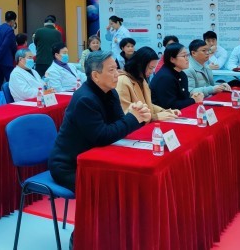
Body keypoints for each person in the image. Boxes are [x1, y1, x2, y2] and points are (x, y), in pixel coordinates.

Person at [49, 51, 151, 194]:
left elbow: (118, 124)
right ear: (95, 76)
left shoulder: (111, 92)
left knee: (130, 178)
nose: (117, 74)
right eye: (111, 70)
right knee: (114, 188)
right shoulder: (85, 99)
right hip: (71, 166)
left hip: (96, 156)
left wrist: (139, 116)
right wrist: (132, 118)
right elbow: (102, 136)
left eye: (116, 68)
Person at [116, 47, 180, 121]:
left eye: (153, 68)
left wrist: (165, 112)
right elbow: (126, 115)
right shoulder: (122, 81)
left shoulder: (141, 79)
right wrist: (155, 117)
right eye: (150, 68)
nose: (152, 71)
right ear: (140, 65)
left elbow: (148, 104)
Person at [150, 43, 204, 110]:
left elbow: (183, 97)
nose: (187, 59)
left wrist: (193, 96)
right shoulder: (165, 77)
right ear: (172, 59)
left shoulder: (182, 74)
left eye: (187, 55)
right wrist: (193, 100)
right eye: (184, 56)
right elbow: (170, 106)